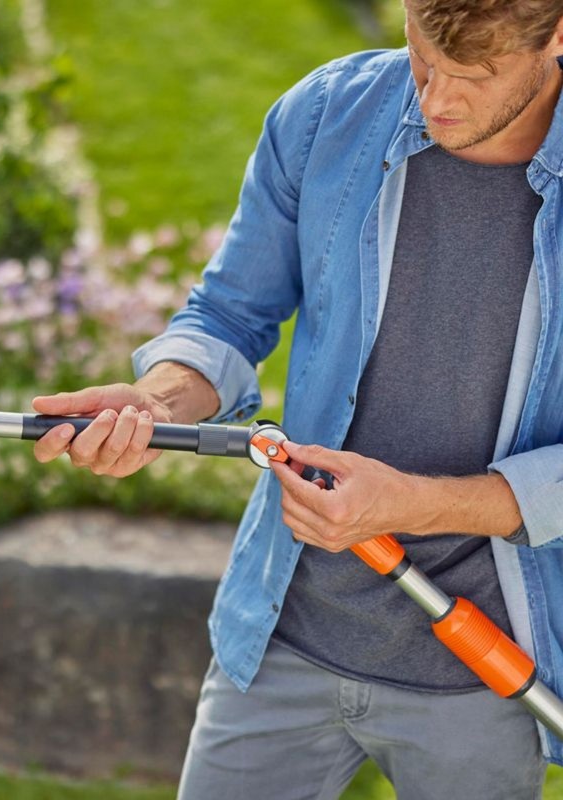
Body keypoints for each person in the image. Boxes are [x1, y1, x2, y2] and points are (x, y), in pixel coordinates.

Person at [32, 1, 563, 797]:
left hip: (486, 670)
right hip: (284, 633)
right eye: (422, 58)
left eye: (474, 75)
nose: (435, 101)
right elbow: (229, 313)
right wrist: (157, 404)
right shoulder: (328, 114)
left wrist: (413, 505)